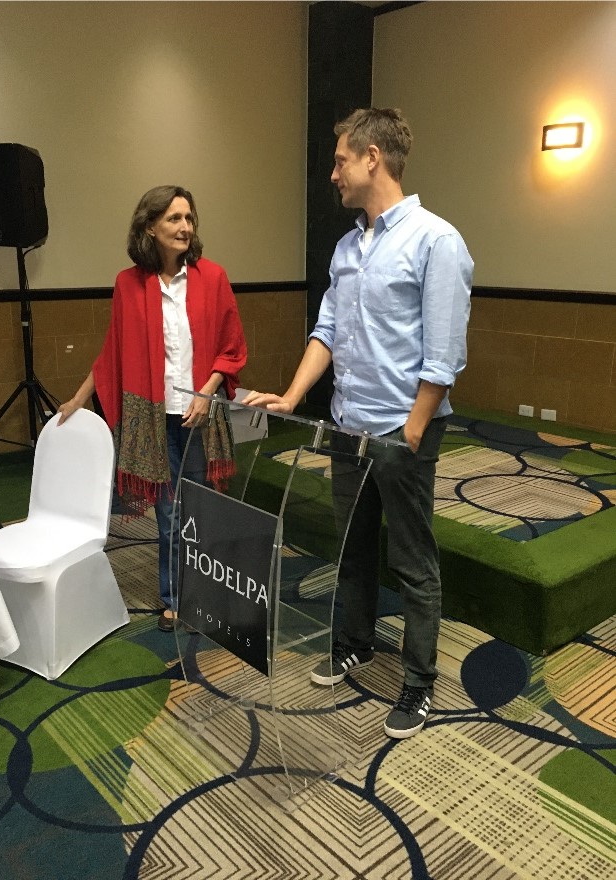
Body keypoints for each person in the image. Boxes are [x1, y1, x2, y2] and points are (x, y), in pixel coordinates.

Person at [244, 108, 473, 739]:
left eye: (341, 159)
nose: (334, 172)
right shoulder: (349, 247)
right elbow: (327, 331)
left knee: (413, 561)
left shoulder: (436, 240)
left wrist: (413, 433)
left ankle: (419, 684)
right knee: (351, 549)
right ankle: (354, 644)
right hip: (346, 428)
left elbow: (443, 355)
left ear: (373, 157)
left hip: (403, 435)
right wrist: (292, 396)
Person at [59, 185, 247, 631]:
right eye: (174, 219)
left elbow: (231, 346)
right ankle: (175, 596)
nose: (185, 227)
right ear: (150, 227)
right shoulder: (129, 284)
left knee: (202, 506)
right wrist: (81, 397)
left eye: (189, 218)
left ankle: (209, 590)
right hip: (154, 419)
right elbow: (113, 351)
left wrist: (208, 390)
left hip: (200, 413)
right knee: (168, 513)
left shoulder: (213, 277)